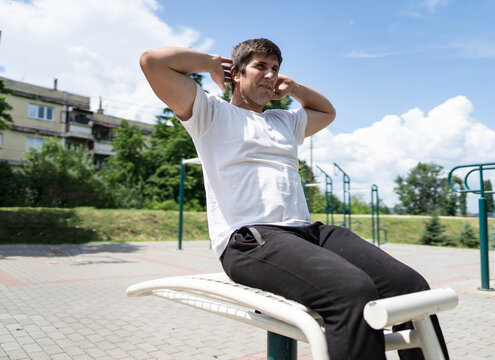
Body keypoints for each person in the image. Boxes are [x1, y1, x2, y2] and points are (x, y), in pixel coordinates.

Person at [140, 38, 449, 360]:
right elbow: (153, 61)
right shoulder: (210, 114)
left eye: (275, 69)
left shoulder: (283, 121)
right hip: (251, 237)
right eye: (261, 66)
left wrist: (295, 88)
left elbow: (326, 111)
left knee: (410, 286)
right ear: (237, 73)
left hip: (307, 233)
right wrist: (210, 63)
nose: (271, 75)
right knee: (352, 290)